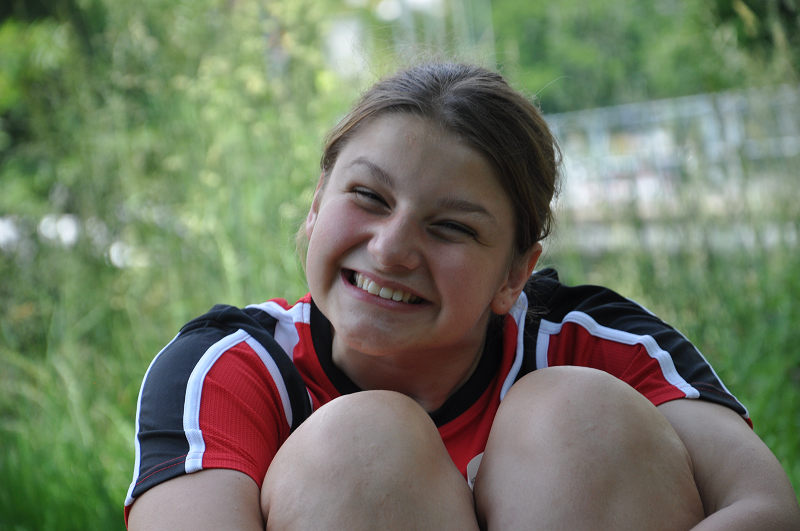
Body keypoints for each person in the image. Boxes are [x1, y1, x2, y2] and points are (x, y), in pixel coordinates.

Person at [125, 63, 800, 530]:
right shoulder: (228, 368)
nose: (392, 248)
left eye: (451, 227)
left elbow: (766, 507)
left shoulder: (589, 341)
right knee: (361, 443)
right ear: (315, 204)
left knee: (577, 413)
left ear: (515, 274)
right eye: (368, 196)